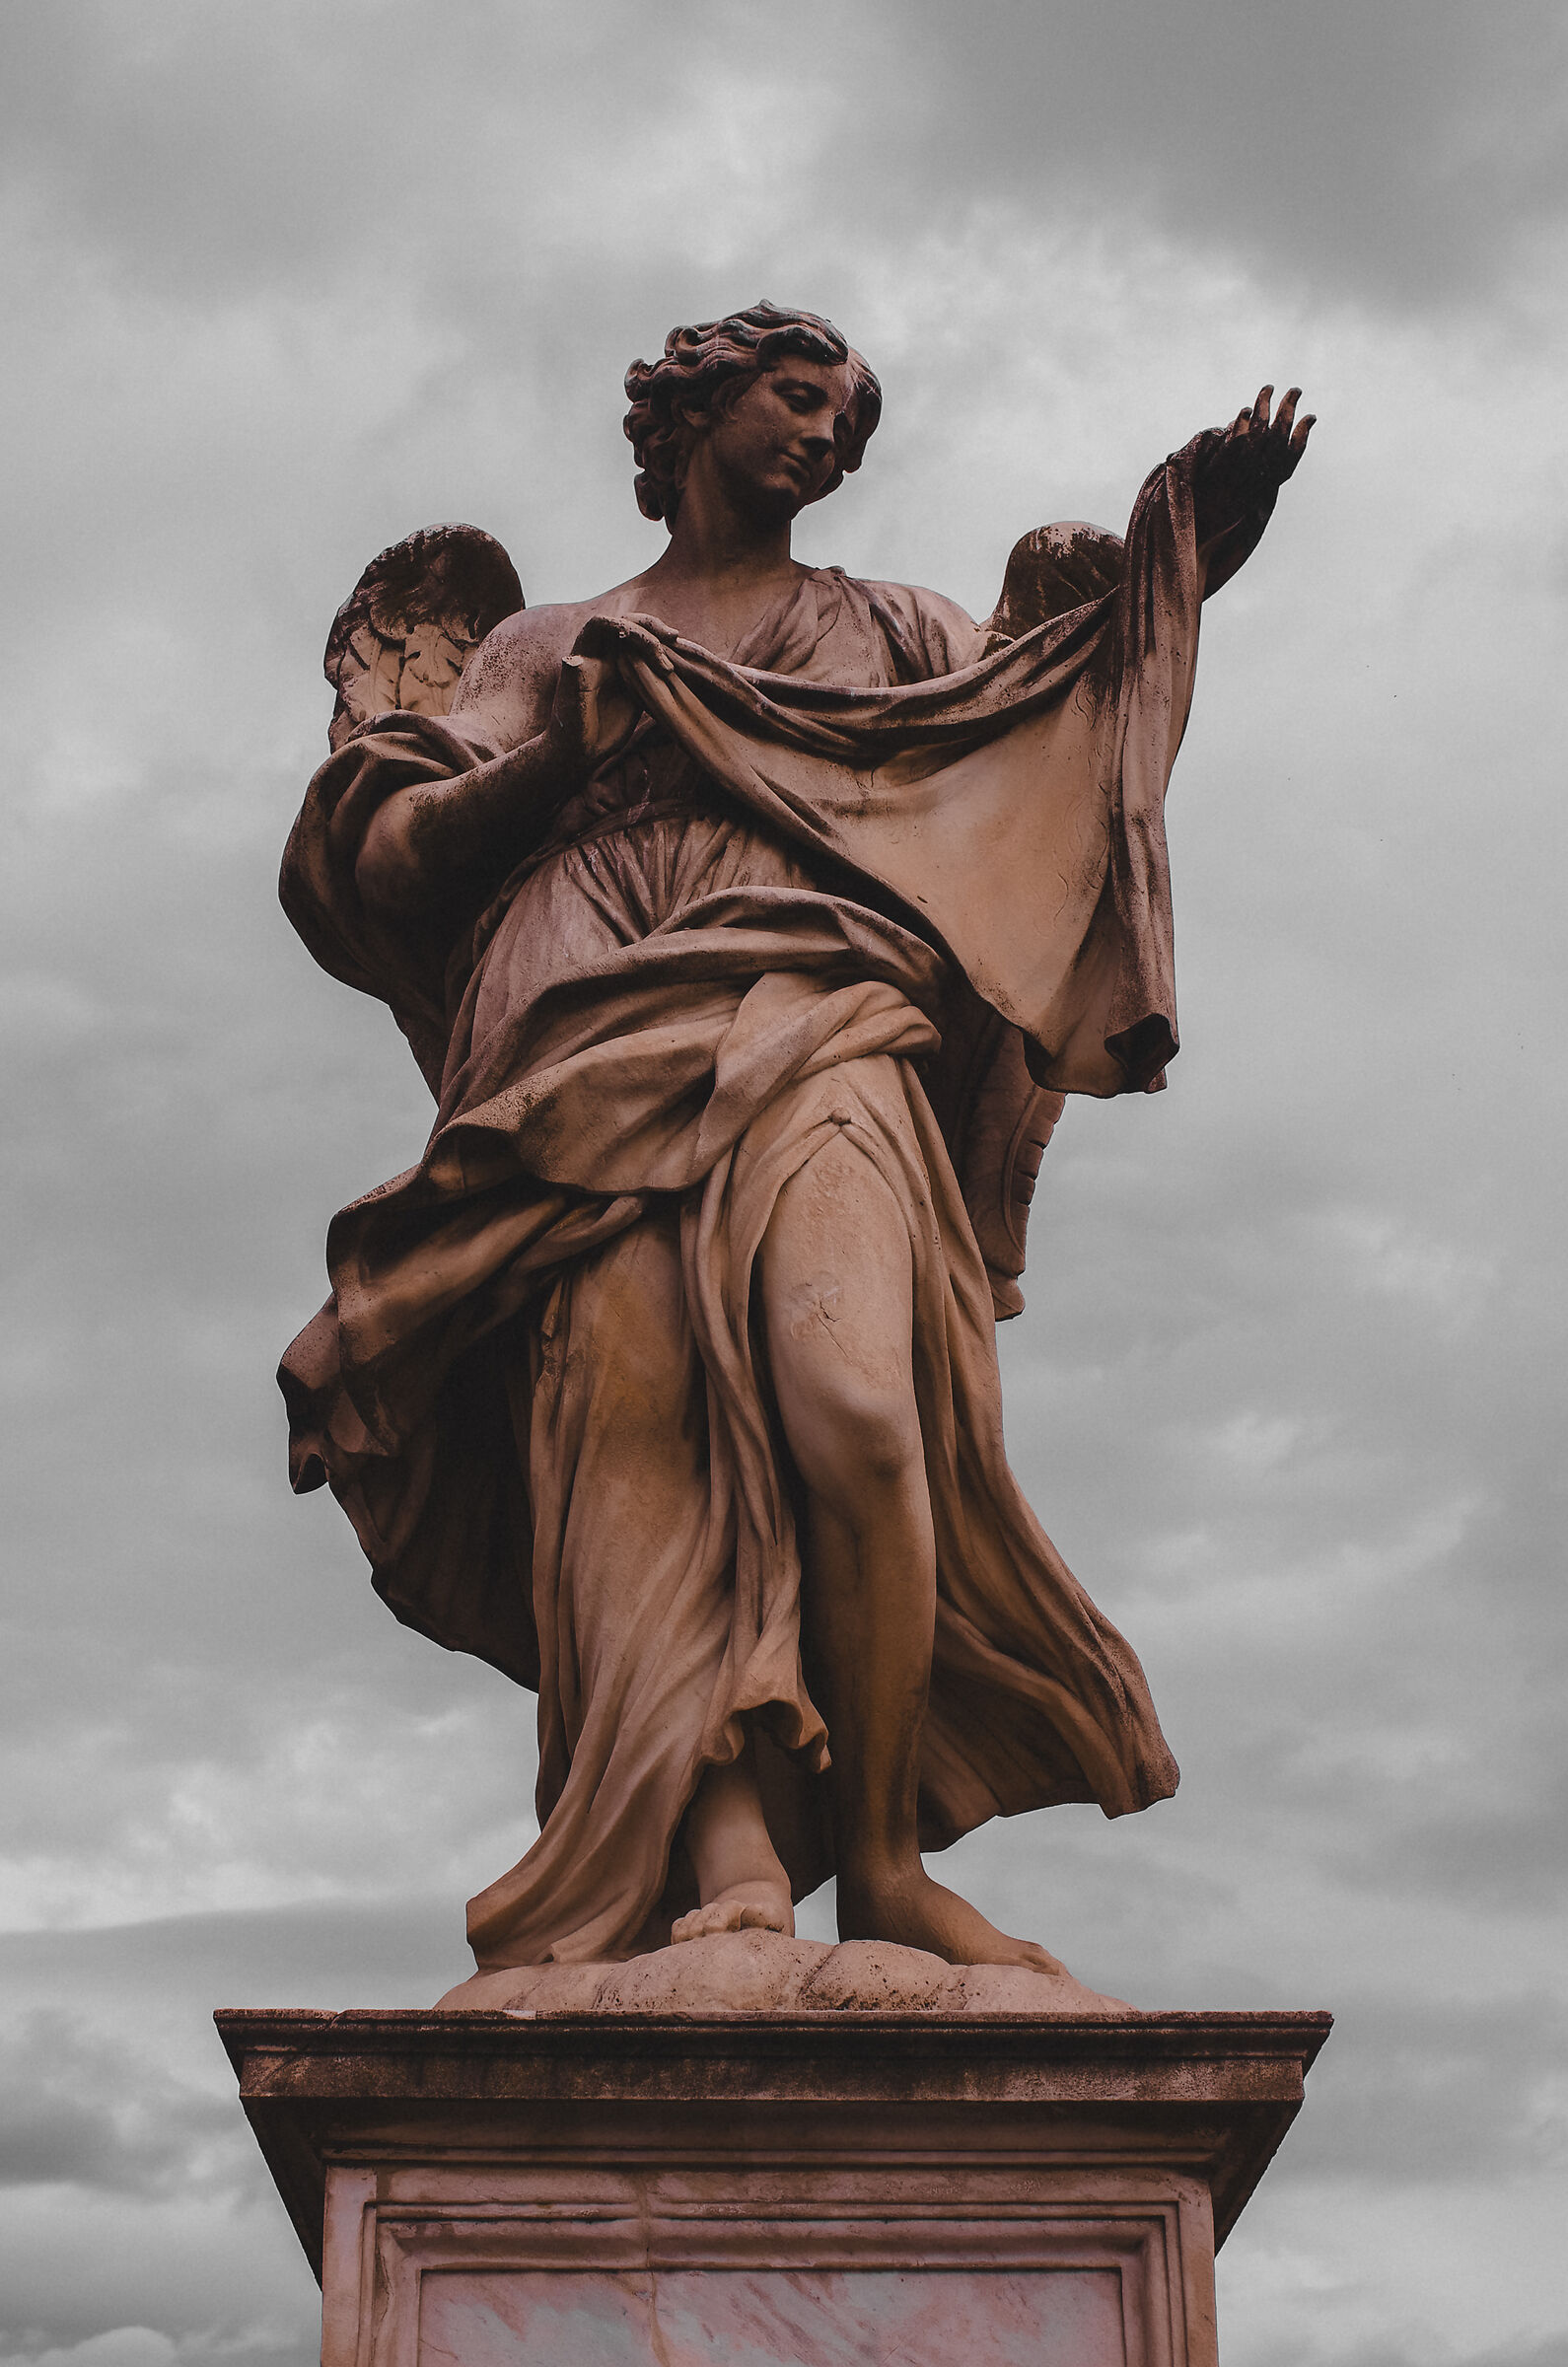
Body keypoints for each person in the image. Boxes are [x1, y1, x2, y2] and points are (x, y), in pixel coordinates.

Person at [279, 301, 1312, 1974]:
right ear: (691, 409)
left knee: (859, 1415)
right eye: (796, 392)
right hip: (582, 1021)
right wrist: (554, 763)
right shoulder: (551, 640)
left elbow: (1053, 747)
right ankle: (725, 1851)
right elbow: (383, 855)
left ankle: (884, 1863)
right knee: (635, 1439)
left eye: (847, 415)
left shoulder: (895, 627)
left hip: (820, 1005)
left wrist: (1179, 570)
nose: (826, 431)